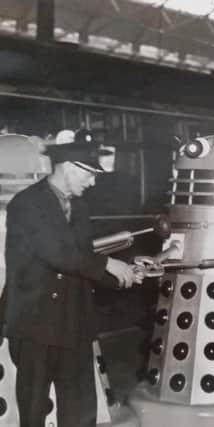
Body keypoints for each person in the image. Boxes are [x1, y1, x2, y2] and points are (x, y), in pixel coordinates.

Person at [2, 129, 142, 427]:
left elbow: (82, 259)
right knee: (34, 407)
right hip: (34, 323)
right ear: (69, 167)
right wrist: (109, 265)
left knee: (80, 408)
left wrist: (126, 274)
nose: (92, 183)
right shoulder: (26, 205)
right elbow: (57, 253)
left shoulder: (78, 207)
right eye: (89, 175)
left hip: (73, 321)